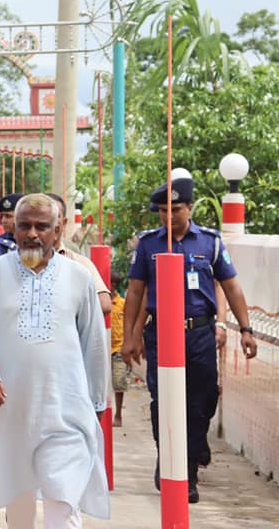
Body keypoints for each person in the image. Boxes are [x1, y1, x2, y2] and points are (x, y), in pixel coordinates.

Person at [0, 193, 110, 528]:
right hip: (10, 410)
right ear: (12, 227)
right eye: (24, 224)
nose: (31, 233)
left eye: (41, 226)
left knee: (64, 499)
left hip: (66, 408)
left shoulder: (78, 277)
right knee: (20, 505)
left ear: (57, 231)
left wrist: (97, 400)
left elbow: (94, 343)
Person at [121, 177, 258, 503]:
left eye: (176, 209)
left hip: (199, 332)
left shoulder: (209, 242)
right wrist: (130, 337)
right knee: (164, 399)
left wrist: (246, 329)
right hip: (161, 333)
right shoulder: (149, 245)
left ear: (190, 208)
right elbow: (136, 292)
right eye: (163, 211)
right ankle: (176, 465)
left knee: (204, 398)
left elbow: (232, 286)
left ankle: (194, 446)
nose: (169, 216)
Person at [47, 193, 112, 317]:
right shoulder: (16, 263)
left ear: (64, 222)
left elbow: (104, 304)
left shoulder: (79, 262)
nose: (48, 222)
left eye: (55, 216)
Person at [109, 270, 129, 428]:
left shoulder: (122, 304)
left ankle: (118, 414)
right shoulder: (99, 302)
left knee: (119, 382)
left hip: (118, 347)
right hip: (103, 347)